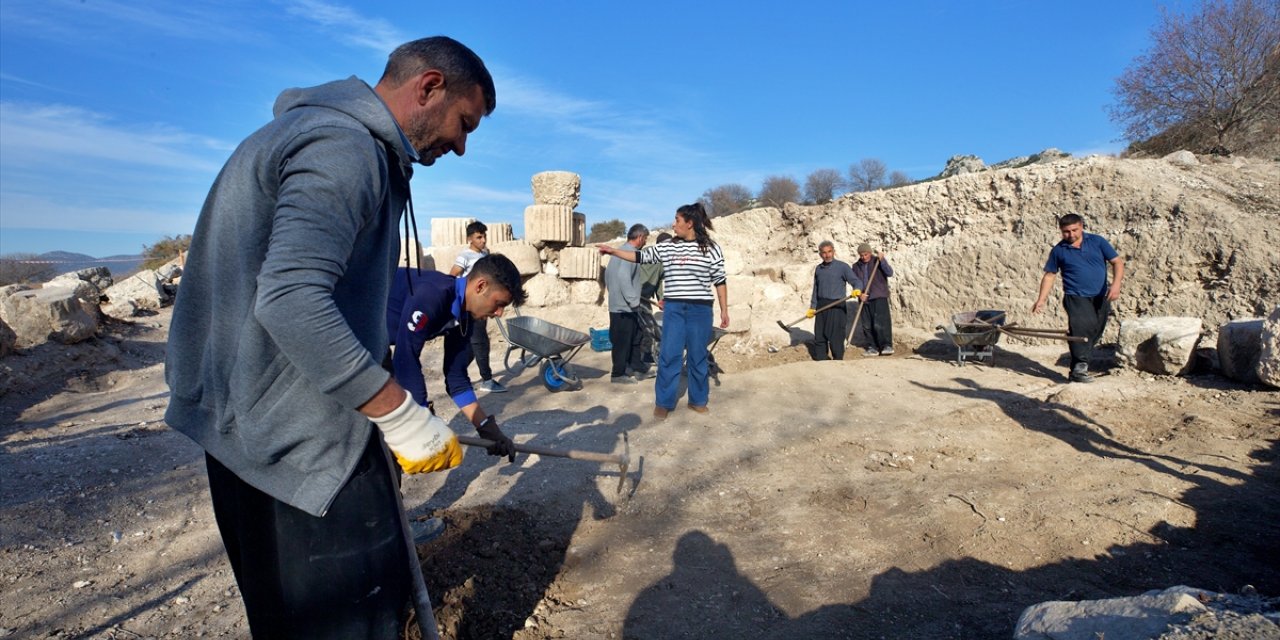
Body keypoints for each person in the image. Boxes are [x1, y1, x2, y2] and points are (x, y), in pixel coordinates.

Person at [164, 36, 496, 639]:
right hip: (298, 443)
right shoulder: (344, 149)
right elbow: (290, 298)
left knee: (286, 623)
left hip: (250, 428)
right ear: (428, 87)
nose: (461, 146)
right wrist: (397, 413)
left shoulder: (303, 135)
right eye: (463, 123)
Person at [597, 203, 728, 419]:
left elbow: (720, 280)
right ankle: (664, 402)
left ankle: (698, 400)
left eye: (677, 220)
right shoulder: (668, 247)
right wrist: (613, 251)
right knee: (669, 355)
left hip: (701, 310)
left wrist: (724, 310)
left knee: (697, 355)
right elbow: (640, 256)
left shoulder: (712, 248)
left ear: (690, 223)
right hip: (674, 308)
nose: (673, 224)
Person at [388, 255, 524, 448]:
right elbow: (405, 358)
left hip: (374, 342)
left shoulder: (465, 317)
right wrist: (422, 419)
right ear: (481, 286)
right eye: (499, 303)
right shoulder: (433, 295)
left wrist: (486, 429)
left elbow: (456, 379)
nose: (499, 313)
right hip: (346, 332)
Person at [1032, 213, 1125, 383]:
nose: (1071, 234)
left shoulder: (1097, 242)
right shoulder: (1059, 250)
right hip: (1075, 297)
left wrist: (1116, 284)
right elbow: (1050, 276)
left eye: (1074, 230)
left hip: (1101, 296)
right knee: (1081, 329)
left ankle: (1081, 363)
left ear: (1081, 226)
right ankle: (1079, 368)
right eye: (1066, 232)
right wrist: (1041, 300)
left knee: (1096, 329)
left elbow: (1117, 262)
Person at [448, 220, 505, 392]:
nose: (483, 240)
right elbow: (453, 275)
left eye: (484, 236)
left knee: (473, 346)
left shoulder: (485, 254)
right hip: (472, 307)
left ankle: (454, 374)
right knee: (480, 342)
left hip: (484, 305)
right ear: (470, 239)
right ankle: (487, 380)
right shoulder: (465, 256)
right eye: (479, 237)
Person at [603, 224, 651, 383]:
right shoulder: (630, 254)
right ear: (640, 238)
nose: (645, 242)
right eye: (645, 239)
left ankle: (637, 367)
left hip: (621, 304)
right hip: (624, 307)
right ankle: (618, 374)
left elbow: (608, 277)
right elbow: (624, 277)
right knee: (622, 341)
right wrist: (633, 301)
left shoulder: (619, 252)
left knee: (635, 337)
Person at [808, 241, 863, 360]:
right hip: (821, 305)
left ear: (834, 252)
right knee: (820, 335)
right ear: (820, 254)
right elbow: (815, 290)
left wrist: (857, 290)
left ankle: (838, 360)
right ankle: (822, 359)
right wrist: (813, 307)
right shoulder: (819, 269)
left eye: (829, 252)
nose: (827, 255)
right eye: (824, 253)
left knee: (836, 336)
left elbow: (856, 281)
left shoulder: (842, 267)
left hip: (837, 305)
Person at [851, 242, 895, 356]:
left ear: (870, 253)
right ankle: (872, 347)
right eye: (861, 255)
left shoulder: (877, 261)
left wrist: (883, 260)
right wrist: (859, 294)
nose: (863, 257)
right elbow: (855, 282)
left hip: (879, 296)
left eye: (865, 254)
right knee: (867, 324)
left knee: (881, 322)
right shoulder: (856, 266)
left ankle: (886, 345)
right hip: (864, 298)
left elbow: (889, 273)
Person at [636, 231, 672, 368]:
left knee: (649, 326)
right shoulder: (646, 253)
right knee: (640, 327)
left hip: (645, 298)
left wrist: (662, 299)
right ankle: (637, 359)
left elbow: (659, 282)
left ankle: (645, 355)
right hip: (635, 295)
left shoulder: (665, 262)